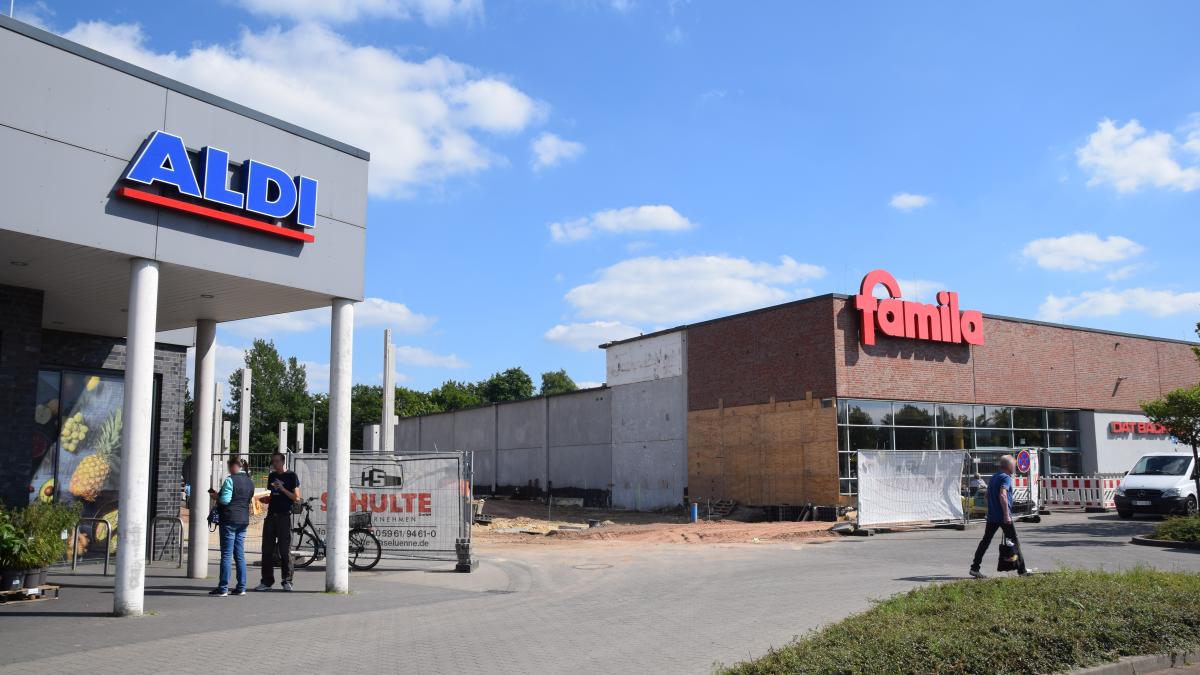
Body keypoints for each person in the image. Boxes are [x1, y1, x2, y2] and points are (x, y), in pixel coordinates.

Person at [969, 455, 1031, 578]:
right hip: (1003, 517)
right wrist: (1006, 515)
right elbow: (1002, 495)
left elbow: (987, 496)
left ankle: (975, 568)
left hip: (992, 517)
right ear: (1009, 466)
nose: (1015, 467)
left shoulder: (994, 477)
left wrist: (992, 509)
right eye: (1014, 465)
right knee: (1014, 541)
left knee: (985, 541)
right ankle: (1022, 571)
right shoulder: (1006, 478)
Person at [255, 452, 301, 592]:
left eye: (277, 461)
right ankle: (266, 582)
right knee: (267, 550)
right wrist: (266, 499)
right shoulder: (272, 476)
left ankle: (287, 581)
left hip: (284, 516)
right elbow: (272, 495)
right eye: (273, 461)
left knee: (284, 551)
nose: (274, 464)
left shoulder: (291, 476)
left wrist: (282, 489)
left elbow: (296, 497)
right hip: (271, 515)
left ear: (283, 462)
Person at [208, 457, 254, 596]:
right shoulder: (250, 482)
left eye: (229, 467)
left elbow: (226, 500)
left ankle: (223, 588)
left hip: (229, 519)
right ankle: (241, 587)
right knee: (239, 555)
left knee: (226, 554)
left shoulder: (230, 480)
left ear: (234, 466)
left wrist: (216, 496)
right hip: (243, 520)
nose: (228, 470)